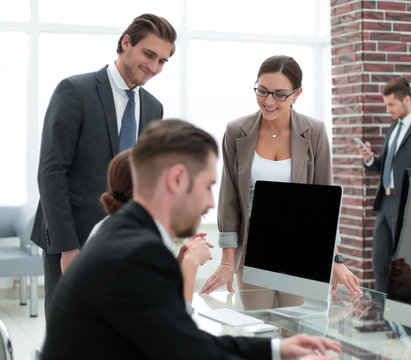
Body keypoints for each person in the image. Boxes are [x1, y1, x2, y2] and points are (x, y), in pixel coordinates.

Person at [41, 119, 342, 360]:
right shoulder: (139, 254)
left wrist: (277, 350)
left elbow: (184, 338)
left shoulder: (121, 232)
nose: (211, 203)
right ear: (177, 179)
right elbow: (191, 353)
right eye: (208, 186)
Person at [31, 13, 177, 314]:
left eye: (162, 61)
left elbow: (143, 180)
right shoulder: (74, 91)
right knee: (70, 332)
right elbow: (51, 172)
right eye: (148, 54)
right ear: (126, 43)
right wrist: (67, 248)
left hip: (124, 241)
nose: (153, 67)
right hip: (74, 237)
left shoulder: (153, 107)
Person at [200, 55, 362, 303]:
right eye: (262, 91)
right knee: (260, 330)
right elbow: (229, 198)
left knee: (296, 332)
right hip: (252, 248)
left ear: (297, 94)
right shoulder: (236, 131)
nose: (268, 101)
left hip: (300, 248)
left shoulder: (314, 132)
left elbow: (325, 202)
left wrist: (335, 259)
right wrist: (226, 260)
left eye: (279, 94)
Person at [87, 148, 212, 304]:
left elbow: (153, 293)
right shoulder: (139, 241)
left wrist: (178, 262)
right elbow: (172, 321)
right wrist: (190, 263)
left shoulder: (109, 226)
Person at [357, 77, 411, 292]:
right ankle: (384, 317)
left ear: (406, 100)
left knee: (405, 266)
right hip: (385, 204)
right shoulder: (393, 128)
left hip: (407, 207)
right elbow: (385, 166)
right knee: (380, 263)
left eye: (391, 104)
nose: (387, 109)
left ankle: (405, 318)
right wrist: (369, 159)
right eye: (386, 104)